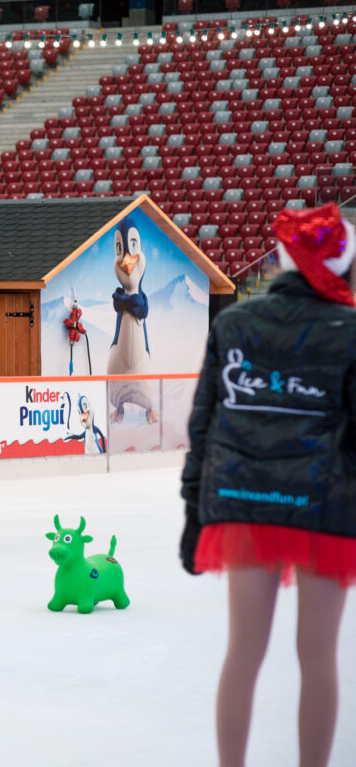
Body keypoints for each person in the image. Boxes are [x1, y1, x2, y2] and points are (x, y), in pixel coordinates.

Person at [179, 203, 356, 767]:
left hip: (244, 505)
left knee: (244, 652)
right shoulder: (351, 332)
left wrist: (194, 514)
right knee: (319, 656)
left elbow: (203, 425)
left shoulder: (233, 323)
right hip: (323, 506)